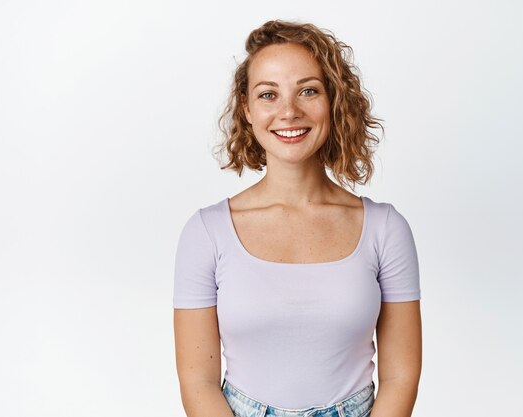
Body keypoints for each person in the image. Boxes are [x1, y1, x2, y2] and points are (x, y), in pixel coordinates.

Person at [173, 19, 422, 417]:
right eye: (268, 94)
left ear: (333, 101)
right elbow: (197, 383)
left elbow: (401, 377)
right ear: (247, 109)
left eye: (308, 90)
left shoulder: (386, 230)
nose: (289, 111)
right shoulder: (207, 233)